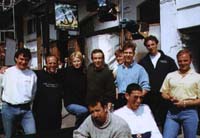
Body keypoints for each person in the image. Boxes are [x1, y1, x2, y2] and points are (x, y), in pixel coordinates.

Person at [139, 35, 178, 131]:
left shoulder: (168, 61)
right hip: (149, 98)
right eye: (148, 45)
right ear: (146, 47)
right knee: (151, 123)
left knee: (166, 123)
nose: (151, 47)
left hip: (164, 97)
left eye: (153, 44)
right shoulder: (143, 62)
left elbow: (175, 77)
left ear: (157, 44)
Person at [160, 49, 200, 138]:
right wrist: (170, 97)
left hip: (190, 112)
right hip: (172, 112)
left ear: (190, 60)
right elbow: (163, 92)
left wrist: (185, 103)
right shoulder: (170, 75)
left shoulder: (197, 77)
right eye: (180, 61)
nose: (182, 63)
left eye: (185, 60)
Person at [1, 48, 37, 138]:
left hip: (26, 110)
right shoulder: (6, 72)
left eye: (26, 60)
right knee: (9, 136)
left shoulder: (32, 75)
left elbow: (33, 93)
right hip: (8, 109)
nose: (24, 62)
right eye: (21, 59)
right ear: (16, 58)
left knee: (32, 134)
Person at [115, 41, 150, 109]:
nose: (128, 55)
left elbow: (146, 87)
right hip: (120, 101)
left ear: (133, 54)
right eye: (126, 52)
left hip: (133, 101)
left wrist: (137, 98)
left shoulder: (140, 69)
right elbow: (116, 85)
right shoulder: (118, 69)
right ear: (123, 54)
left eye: (130, 53)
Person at [32, 55, 63, 132]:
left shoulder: (61, 75)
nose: (52, 65)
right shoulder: (38, 74)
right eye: (50, 63)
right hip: (40, 114)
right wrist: (4, 68)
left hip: (56, 114)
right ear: (46, 64)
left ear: (57, 64)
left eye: (54, 63)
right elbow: (23, 70)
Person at [63, 51, 88, 128]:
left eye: (78, 61)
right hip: (70, 102)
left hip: (82, 102)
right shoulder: (67, 71)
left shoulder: (84, 71)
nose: (76, 63)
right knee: (83, 111)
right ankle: (77, 129)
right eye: (74, 61)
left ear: (81, 61)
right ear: (71, 62)